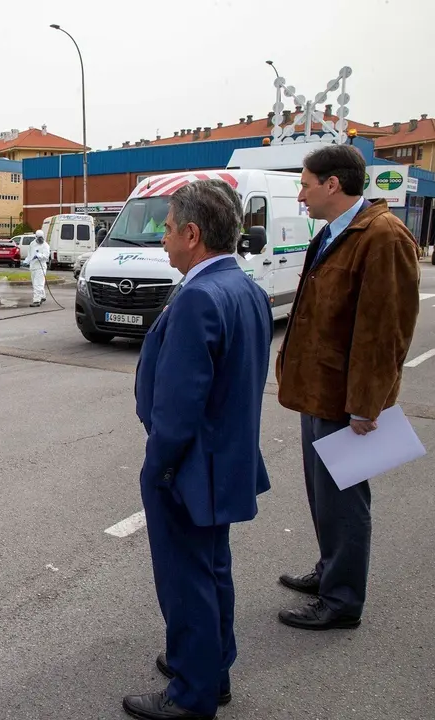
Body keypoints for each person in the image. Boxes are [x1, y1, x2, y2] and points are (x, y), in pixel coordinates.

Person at [127, 179, 273, 720]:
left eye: (166, 229)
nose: (162, 240)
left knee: (186, 581)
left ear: (192, 234)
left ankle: (191, 694)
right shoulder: (246, 288)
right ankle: (213, 669)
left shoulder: (198, 298)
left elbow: (180, 403)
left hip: (189, 468)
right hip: (225, 459)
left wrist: (159, 466)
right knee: (212, 572)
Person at [275, 144, 420, 631]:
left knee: (345, 500)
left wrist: (366, 405)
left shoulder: (383, 237)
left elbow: (386, 331)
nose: (301, 194)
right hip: (318, 390)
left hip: (345, 399)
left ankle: (341, 602)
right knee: (323, 497)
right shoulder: (335, 233)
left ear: (332, 185)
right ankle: (329, 571)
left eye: (305, 183)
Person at [26, 229, 50, 306]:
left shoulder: (45, 245)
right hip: (33, 267)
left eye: (41, 238)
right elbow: (29, 255)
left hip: (41, 267)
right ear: (36, 237)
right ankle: (42, 296)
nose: (40, 239)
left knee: (38, 284)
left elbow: (46, 256)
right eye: (39, 238)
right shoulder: (32, 244)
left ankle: (36, 301)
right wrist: (26, 261)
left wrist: (39, 256)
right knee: (35, 283)